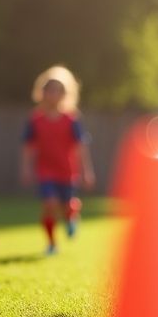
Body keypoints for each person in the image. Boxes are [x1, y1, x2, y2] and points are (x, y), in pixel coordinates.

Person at [20, 65, 95, 255]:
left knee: (65, 206)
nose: (52, 94)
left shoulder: (71, 120)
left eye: (57, 90)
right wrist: (26, 168)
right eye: (49, 90)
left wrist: (87, 171)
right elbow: (28, 147)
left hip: (67, 171)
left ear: (65, 94)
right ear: (41, 92)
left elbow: (80, 147)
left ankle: (72, 215)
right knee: (50, 204)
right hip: (45, 170)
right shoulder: (35, 119)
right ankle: (52, 243)